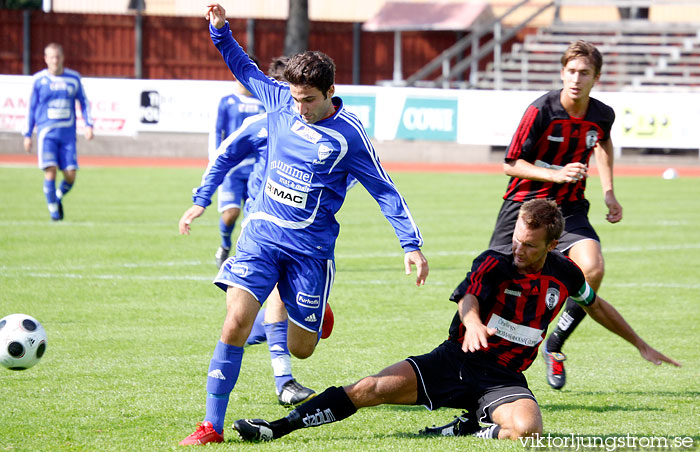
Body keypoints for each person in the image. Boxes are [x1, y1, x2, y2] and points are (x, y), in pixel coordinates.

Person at [178, 4, 428, 446]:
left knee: (301, 348)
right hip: (260, 237)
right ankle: (210, 426)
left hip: (309, 252)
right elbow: (243, 65)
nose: (300, 107)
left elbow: (385, 190)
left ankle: (313, 311)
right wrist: (220, 31)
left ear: (331, 92)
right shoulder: (280, 101)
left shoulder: (349, 136)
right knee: (235, 323)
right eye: (295, 98)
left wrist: (411, 244)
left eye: (309, 99)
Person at [230, 199, 680, 443]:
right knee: (366, 390)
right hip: (453, 362)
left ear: (553, 244)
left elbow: (595, 304)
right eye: (517, 240)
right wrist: (474, 322)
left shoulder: (565, 273)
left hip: (501, 377)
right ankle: (275, 428)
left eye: (528, 245)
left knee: (528, 431)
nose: (517, 250)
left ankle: (472, 425)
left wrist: (638, 343)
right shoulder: (494, 262)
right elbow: (468, 297)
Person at [180, 56, 321, 410]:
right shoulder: (265, 122)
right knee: (265, 301)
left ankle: (268, 344)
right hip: (260, 225)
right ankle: (283, 380)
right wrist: (200, 200)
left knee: (264, 317)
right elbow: (224, 153)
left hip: (298, 231)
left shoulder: (315, 131)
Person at [488, 40, 621, 390]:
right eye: (571, 71)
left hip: (570, 207)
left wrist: (608, 192)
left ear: (596, 77)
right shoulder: (541, 110)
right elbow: (510, 163)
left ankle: (556, 344)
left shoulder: (602, 114)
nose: (576, 79)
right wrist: (556, 173)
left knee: (592, 267)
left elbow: (603, 142)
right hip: (524, 205)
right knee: (494, 285)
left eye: (585, 73)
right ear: (562, 73)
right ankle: (475, 364)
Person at [22, 42, 94, 221]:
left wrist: (88, 124)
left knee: (70, 175)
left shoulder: (73, 79)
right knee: (51, 170)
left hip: (68, 136)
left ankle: (57, 197)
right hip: (47, 134)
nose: (55, 60)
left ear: (62, 58)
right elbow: (31, 108)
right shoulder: (39, 80)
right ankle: (54, 212)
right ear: (46, 59)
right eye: (51, 57)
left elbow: (84, 102)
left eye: (58, 57)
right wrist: (28, 134)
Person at [210, 56, 266, 268]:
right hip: (233, 169)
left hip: (257, 168)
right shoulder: (227, 102)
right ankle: (224, 246)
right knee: (231, 213)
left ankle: (247, 256)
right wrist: (216, 161)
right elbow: (217, 131)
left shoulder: (264, 102)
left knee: (253, 216)